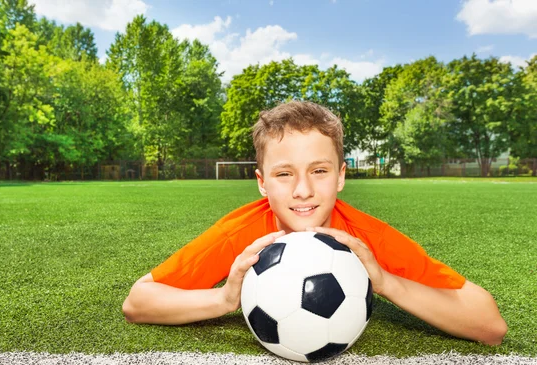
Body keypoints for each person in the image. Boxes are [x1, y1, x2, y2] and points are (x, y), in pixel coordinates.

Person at [122, 101, 507, 345]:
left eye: (319, 171)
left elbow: (489, 324)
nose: (303, 190)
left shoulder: (366, 236)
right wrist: (222, 300)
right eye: (284, 174)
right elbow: (138, 303)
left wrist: (387, 282)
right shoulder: (240, 234)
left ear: (340, 177)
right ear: (262, 183)